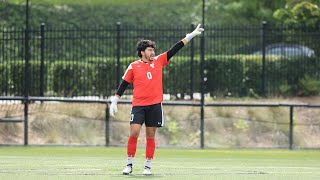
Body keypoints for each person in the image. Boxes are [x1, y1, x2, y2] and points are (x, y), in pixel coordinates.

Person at [109, 24, 204, 175]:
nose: (153, 52)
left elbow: (175, 49)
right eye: (150, 49)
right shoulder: (133, 66)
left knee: (150, 136)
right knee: (134, 132)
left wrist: (190, 35)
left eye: (153, 49)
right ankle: (129, 164)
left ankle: (147, 166)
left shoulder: (159, 61)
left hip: (155, 105)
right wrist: (115, 100)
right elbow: (124, 84)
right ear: (142, 52)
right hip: (138, 105)